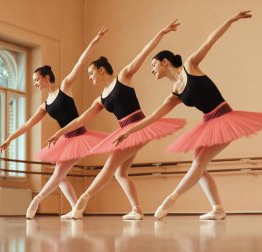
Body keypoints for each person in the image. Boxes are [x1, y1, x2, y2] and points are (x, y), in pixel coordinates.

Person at [114, 11, 262, 220]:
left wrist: (230, 19)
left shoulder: (191, 65)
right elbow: (153, 117)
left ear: (164, 62)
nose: (151, 70)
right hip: (209, 122)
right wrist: (129, 132)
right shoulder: (174, 94)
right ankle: (217, 209)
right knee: (199, 165)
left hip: (225, 118)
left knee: (198, 164)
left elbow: (211, 39)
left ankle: (171, 199)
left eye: (153, 65)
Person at [45, 20, 186, 220]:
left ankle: (82, 202)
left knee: (110, 165)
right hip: (125, 131)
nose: (90, 77)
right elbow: (81, 119)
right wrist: (59, 133)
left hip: (137, 127)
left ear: (101, 70)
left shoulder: (124, 77)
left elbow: (144, 53)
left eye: (91, 73)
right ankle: (136, 209)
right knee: (120, 173)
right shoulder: (101, 98)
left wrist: (161, 33)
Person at [0, 26, 109, 219]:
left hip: (79, 136)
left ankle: (37, 199)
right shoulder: (45, 104)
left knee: (58, 172)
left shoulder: (65, 87)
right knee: (61, 176)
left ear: (46, 77)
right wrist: (9, 138)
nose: (35, 83)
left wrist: (94, 41)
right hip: (65, 139)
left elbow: (80, 63)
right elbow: (28, 124)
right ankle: (76, 209)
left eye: (36, 79)